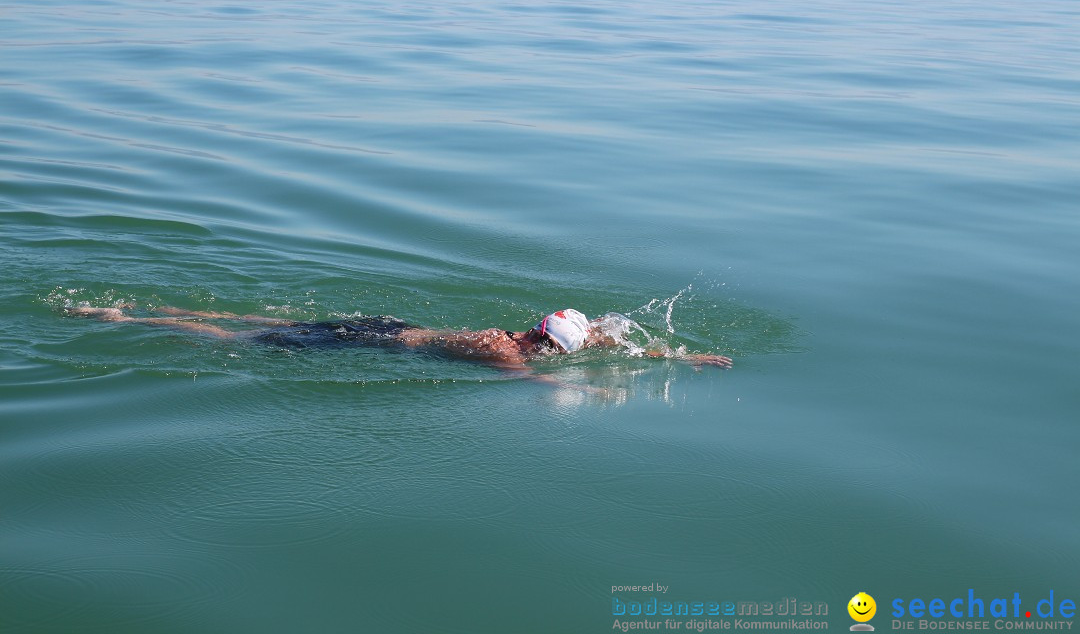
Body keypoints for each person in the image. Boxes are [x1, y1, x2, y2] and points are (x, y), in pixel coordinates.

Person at [67, 305, 733, 374]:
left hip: (387, 327)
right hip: (364, 344)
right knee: (236, 339)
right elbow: (526, 383)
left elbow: (600, 349)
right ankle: (131, 321)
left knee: (248, 323)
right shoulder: (506, 356)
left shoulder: (517, 338)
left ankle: (141, 308)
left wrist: (672, 356)